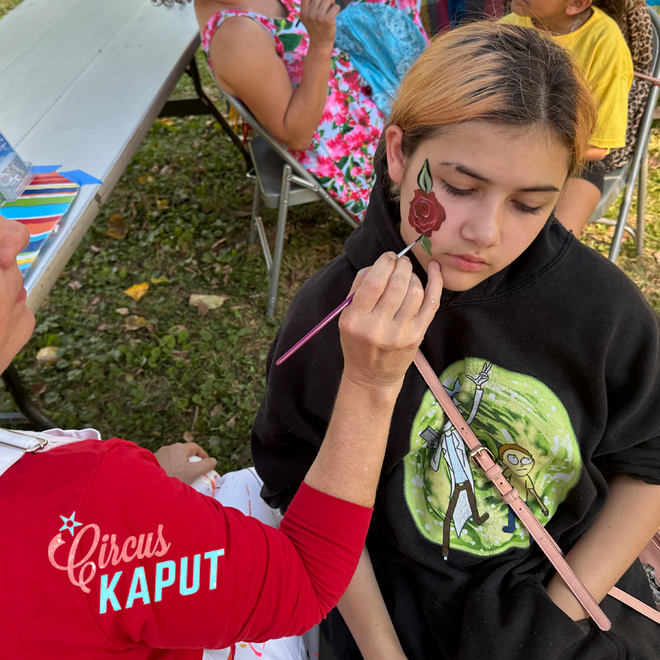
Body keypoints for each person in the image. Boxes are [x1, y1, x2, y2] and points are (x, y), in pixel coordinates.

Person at [251, 21, 660, 660]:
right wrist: (382, 653)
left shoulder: (601, 309)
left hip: (565, 593)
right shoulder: (333, 315)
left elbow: (649, 462)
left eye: (530, 204)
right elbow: (298, 486)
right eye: (460, 188)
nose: (485, 231)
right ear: (397, 155)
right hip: (392, 608)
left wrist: (555, 616)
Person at [0, 211, 441, 657]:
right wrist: (370, 383)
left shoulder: (88, 505)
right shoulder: (81, 507)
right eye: (460, 188)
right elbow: (307, 578)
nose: (16, 235)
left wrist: (145, 487)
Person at [189, 0, 428, 221]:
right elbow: (296, 134)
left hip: (365, 99)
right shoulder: (236, 36)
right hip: (356, 148)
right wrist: (321, 45)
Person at [501, 0, 634, 236]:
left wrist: (531, 154)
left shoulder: (605, 42)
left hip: (576, 162)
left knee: (553, 243)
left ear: (576, 4)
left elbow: (597, 147)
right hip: (502, 148)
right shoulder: (507, 28)